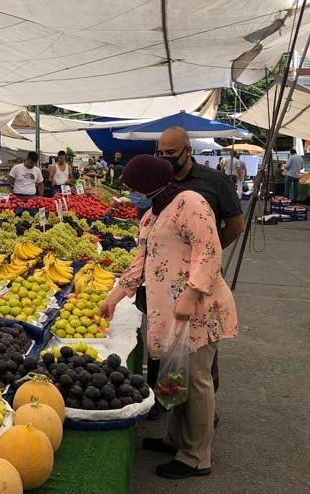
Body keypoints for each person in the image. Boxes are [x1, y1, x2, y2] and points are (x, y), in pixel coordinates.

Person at [99, 155, 238, 479]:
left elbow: (210, 249)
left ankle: (195, 456)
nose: (131, 192)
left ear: (148, 180)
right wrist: (114, 297)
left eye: (133, 186)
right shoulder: (151, 215)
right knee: (179, 379)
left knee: (198, 381)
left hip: (198, 309)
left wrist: (191, 293)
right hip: (172, 314)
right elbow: (140, 263)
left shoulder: (190, 202)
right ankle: (176, 439)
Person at [154, 126, 243, 398]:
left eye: (171, 153)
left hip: (199, 281)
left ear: (188, 151)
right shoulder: (160, 181)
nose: (165, 158)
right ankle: (167, 407)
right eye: (161, 153)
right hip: (166, 281)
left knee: (201, 353)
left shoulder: (215, 181)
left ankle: (203, 415)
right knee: (167, 346)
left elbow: (235, 225)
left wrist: (205, 257)